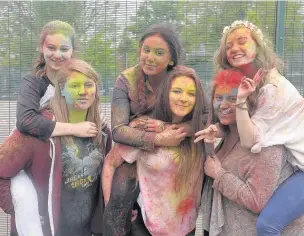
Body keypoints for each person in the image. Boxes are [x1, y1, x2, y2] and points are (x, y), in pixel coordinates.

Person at [195, 20, 304, 236]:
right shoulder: (255, 80)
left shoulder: (272, 89)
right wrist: (219, 128)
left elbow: (249, 139)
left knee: (268, 226)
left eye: (242, 41)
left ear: (259, 45)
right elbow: (239, 116)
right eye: (229, 46)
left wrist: (219, 174)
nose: (234, 48)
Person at [103, 23, 208, 236]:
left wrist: (182, 130)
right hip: (135, 147)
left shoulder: (182, 77)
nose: (150, 57)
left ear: (171, 58)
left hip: (178, 147)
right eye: (146, 50)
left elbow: (205, 115)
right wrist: (158, 138)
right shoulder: (126, 80)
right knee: (120, 197)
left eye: (159, 53)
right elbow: (119, 130)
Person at [3, 20, 100, 236]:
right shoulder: (34, 82)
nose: (58, 54)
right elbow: (26, 121)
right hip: (26, 157)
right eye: (51, 48)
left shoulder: (78, 78)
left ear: (73, 51)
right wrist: (74, 129)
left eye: (64, 49)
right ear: (41, 48)